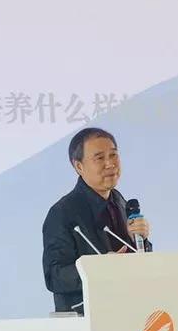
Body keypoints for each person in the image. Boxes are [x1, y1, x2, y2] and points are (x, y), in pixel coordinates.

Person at [42, 127, 152, 313]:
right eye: (100, 158)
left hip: (129, 309)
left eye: (113, 155)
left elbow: (133, 263)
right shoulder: (62, 212)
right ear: (79, 166)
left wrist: (142, 241)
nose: (110, 164)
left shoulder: (120, 201)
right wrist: (99, 269)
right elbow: (54, 276)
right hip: (86, 318)